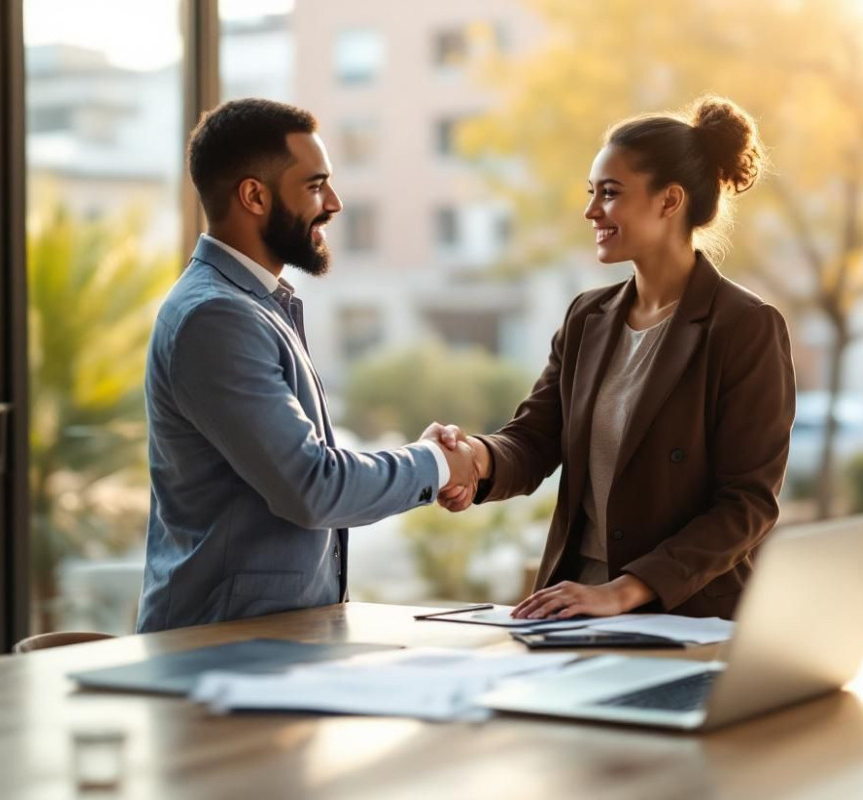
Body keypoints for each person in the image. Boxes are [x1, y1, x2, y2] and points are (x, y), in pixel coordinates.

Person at [431, 96, 795, 621]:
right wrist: (472, 459)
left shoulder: (744, 327)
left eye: (609, 193)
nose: (591, 211)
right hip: (571, 602)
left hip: (685, 613)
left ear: (669, 201)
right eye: (591, 194)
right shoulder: (588, 317)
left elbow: (747, 505)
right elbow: (534, 438)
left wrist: (624, 591)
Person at [138, 99, 477, 631]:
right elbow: (313, 486)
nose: (335, 204)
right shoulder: (218, 317)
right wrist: (433, 464)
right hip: (218, 652)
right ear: (254, 195)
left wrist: (425, 457)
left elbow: (306, 464)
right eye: (316, 185)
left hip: (263, 642)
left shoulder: (253, 306)